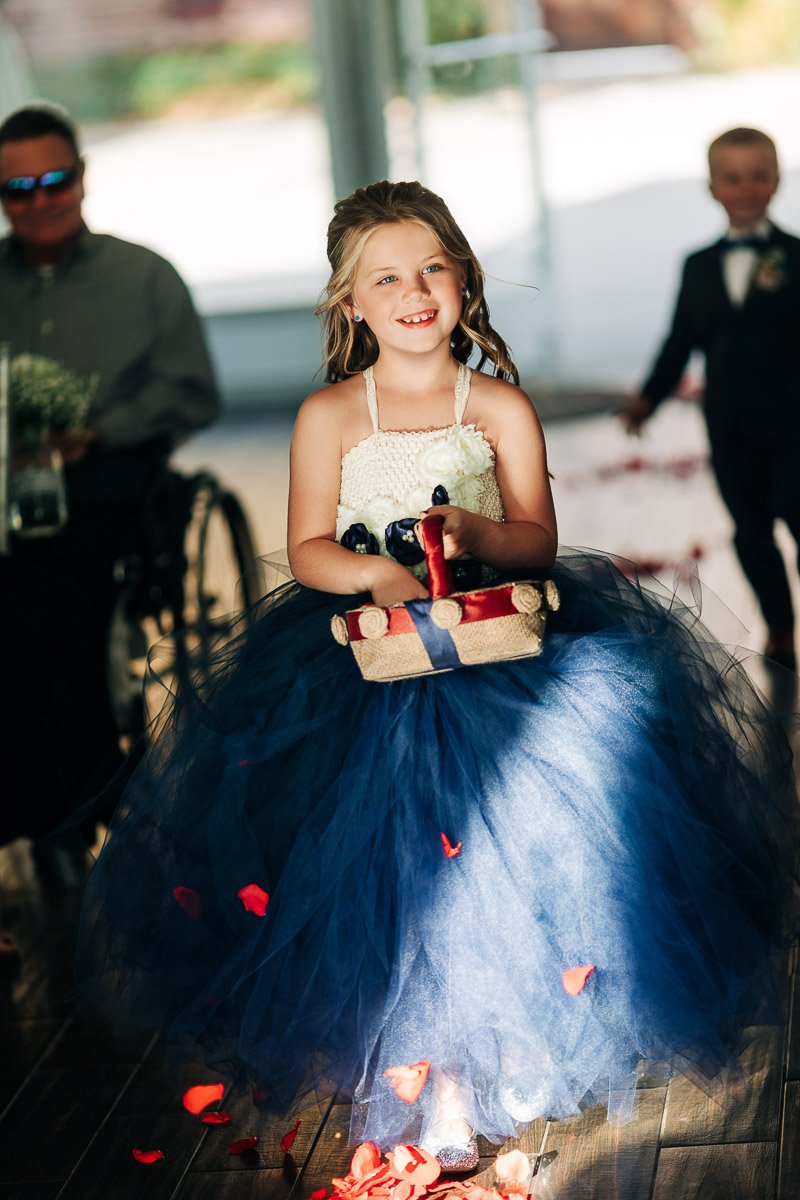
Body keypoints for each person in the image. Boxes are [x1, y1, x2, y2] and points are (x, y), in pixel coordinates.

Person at [76, 181, 798, 1176]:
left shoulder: (494, 405)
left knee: (508, 863)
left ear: (463, 279)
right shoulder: (332, 414)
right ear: (350, 302)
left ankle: (511, 1042)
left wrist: (474, 533)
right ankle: (436, 1076)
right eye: (385, 279)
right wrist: (374, 572)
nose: (413, 293)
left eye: (430, 270)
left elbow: (535, 540)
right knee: (401, 871)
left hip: (492, 654)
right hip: (364, 667)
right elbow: (308, 545)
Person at [0, 103, 220, 826]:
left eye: (54, 180)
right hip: (7, 487)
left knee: (53, 598)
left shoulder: (144, 277)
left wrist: (96, 433)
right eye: (18, 189)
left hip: (111, 483)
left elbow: (192, 391)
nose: (39, 201)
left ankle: (79, 796)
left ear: (82, 177)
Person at [622, 127, 800, 670]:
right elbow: (680, 340)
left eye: (758, 176)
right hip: (730, 423)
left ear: (777, 181)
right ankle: (779, 627)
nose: (746, 188)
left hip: (794, 421)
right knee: (751, 530)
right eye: (732, 178)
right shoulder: (698, 265)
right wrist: (649, 398)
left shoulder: (796, 255)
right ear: (713, 187)